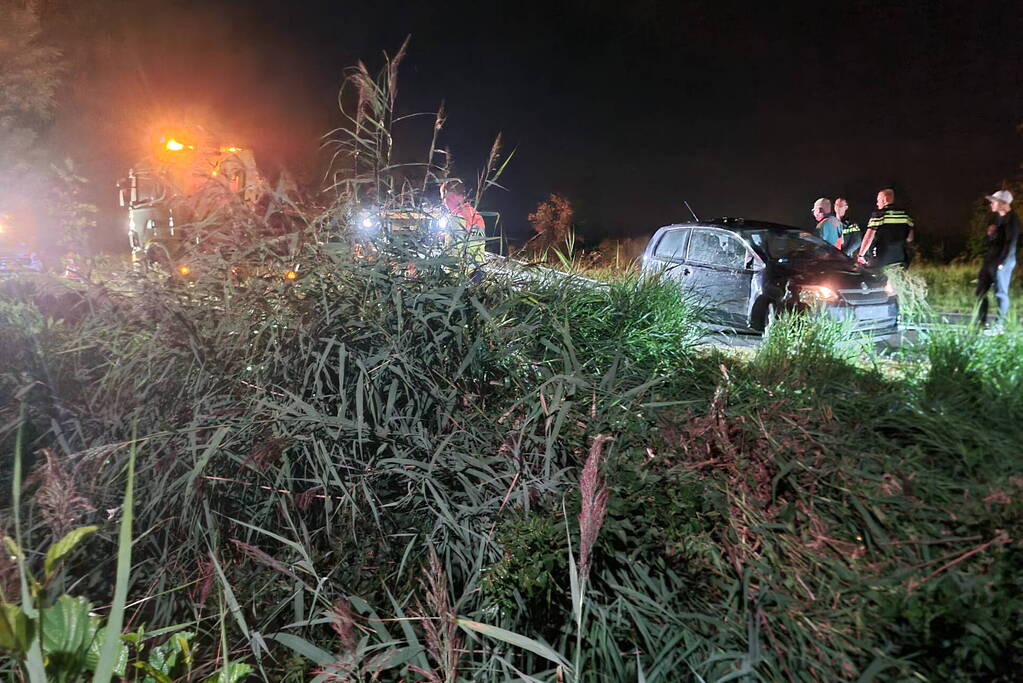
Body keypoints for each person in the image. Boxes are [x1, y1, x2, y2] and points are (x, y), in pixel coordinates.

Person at [975, 189, 1019, 327]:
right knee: (980, 291)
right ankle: (980, 323)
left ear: (1003, 203)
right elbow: (992, 242)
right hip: (990, 260)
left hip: (1003, 261)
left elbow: (1010, 243)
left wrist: (1003, 262)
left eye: (994, 201)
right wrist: (990, 235)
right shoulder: (996, 218)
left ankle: (999, 325)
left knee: (1000, 293)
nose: (991, 204)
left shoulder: (1012, 221)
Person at [857, 188, 914, 267]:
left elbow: (868, 237)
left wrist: (861, 255)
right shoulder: (906, 215)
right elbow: (910, 238)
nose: (877, 203)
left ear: (884, 200)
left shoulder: (879, 215)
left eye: (878, 200)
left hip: (882, 258)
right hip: (900, 257)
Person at [440, 179, 487, 274]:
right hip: (478, 271)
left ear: (451, 196)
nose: (444, 204)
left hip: (461, 274)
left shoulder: (456, 218)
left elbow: (453, 253)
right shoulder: (477, 215)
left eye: (443, 199)